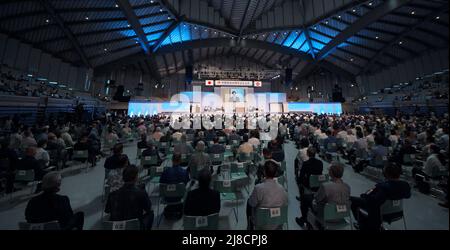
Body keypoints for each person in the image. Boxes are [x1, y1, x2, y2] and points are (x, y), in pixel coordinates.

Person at [350, 163, 411, 230]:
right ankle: (368, 224)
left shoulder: (384, 187)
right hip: (398, 212)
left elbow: (375, 201)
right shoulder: (405, 185)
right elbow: (408, 195)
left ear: (386, 174)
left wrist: (365, 196)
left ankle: (364, 225)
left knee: (352, 201)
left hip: (382, 213)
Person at [105, 165, 154, 230]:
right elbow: (148, 208)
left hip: (118, 227)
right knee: (151, 213)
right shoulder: (141, 193)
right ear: (136, 177)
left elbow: (108, 211)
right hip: (134, 226)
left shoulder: (112, 195)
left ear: (123, 178)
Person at [247, 160, 288, 230]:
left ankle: (249, 225)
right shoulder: (282, 188)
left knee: (249, 202)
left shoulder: (258, 188)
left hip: (261, 222)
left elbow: (252, 203)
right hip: (277, 222)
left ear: (264, 172)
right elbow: (284, 203)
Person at [311, 162, 351, 228]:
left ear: (331, 173)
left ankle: (315, 223)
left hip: (328, 217)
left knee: (309, 199)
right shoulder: (347, 187)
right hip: (341, 216)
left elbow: (317, 199)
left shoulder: (326, 186)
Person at [295, 147, 324, 227]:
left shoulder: (306, 163)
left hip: (308, 185)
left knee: (300, 182)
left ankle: (304, 217)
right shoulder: (320, 163)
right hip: (318, 185)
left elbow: (301, 177)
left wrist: (300, 182)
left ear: (307, 154)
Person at [160, 153, 189, 219]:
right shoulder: (185, 172)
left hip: (167, 197)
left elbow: (161, 184)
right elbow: (186, 183)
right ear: (180, 161)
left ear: (172, 160)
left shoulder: (165, 172)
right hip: (180, 196)